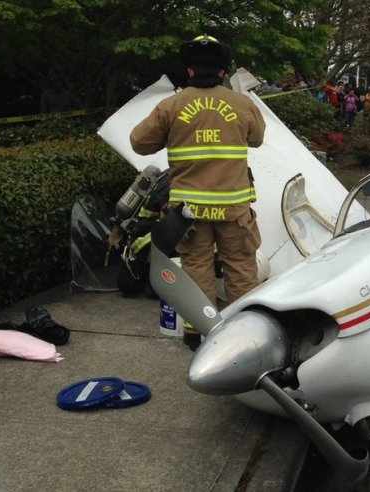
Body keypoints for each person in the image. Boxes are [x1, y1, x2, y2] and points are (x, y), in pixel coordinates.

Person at [129, 34, 266, 349]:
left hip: (188, 213)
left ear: (189, 71)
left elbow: (139, 141)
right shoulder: (242, 104)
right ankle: (246, 336)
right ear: (222, 72)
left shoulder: (171, 106)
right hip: (234, 210)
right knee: (241, 266)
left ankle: (196, 332)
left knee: (195, 268)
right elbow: (257, 138)